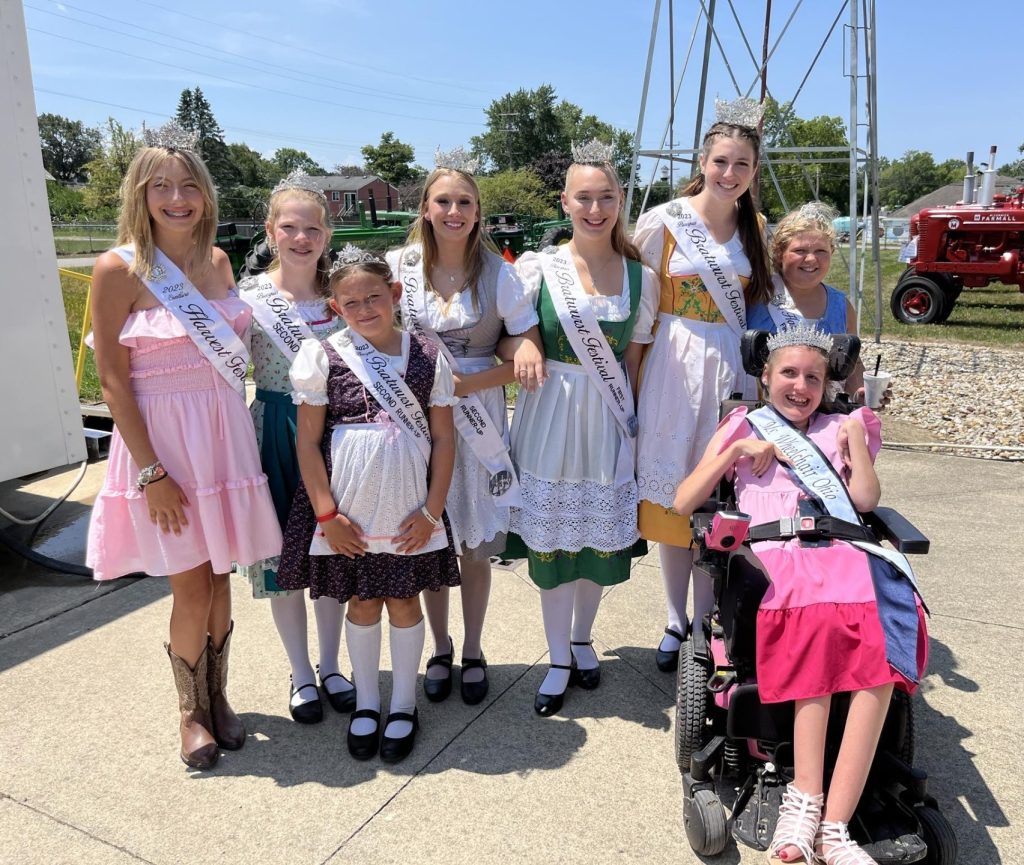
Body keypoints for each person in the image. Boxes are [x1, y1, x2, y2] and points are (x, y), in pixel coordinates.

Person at [672, 323, 927, 865]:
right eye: (788, 372)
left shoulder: (845, 424)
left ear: (827, 380)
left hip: (846, 555)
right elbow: (683, 501)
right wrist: (737, 448)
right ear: (765, 377)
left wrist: (854, 437)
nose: (800, 385)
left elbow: (863, 498)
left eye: (812, 376)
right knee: (819, 627)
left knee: (883, 648)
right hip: (776, 561)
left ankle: (832, 828)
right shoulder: (744, 424)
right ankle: (805, 800)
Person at [86, 122, 282, 770]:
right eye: (161, 185)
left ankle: (218, 694)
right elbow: (112, 380)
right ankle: (188, 712)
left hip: (220, 441)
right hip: (164, 448)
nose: (176, 197)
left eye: (188, 184)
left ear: (204, 194)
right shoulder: (119, 269)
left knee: (222, 575)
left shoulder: (220, 261)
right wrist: (151, 472)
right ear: (141, 195)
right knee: (190, 588)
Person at [276, 247, 460, 763]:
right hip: (350, 516)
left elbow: (445, 440)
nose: (364, 309)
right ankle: (368, 702)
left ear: (395, 295)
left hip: (409, 512)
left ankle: (403, 704)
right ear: (335, 307)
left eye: (374, 297)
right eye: (350, 302)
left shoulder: (426, 355)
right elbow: (308, 444)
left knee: (405, 602)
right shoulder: (322, 356)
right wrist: (327, 517)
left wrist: (431, 511)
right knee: (361, 603)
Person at [387, 151, 544, 706]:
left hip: (476, 421)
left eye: (466, 203)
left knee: (473, 547)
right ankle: (440, 645)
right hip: (411, 421)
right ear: (426, 209)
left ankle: (473, 647)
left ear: (478, 212)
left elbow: (528, 356)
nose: (455, 211)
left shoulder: (502, 274)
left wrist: (469, 383)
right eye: (444, 201)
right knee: (431, 540)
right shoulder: (398, 267)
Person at [506, 141, 658, 716]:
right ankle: (556, 660)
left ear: (620, 201)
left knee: (595, 539)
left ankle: (582, 639)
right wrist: (522, 344)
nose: (596, 209)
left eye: (607, 198)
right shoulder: (537, 269)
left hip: (607, 417)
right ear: (565, 202)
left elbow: (637, 361)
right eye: (584, 198)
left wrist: (635, 430)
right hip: (551, 412)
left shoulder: (640, 278)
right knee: (553, 544)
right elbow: (512, 332)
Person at [632, 99, 773, 672]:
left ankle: (710, 615)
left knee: (719, 499)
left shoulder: (756, 229)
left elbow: (761, 306)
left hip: (732, 366)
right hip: (673, 362)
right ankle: (674, 617)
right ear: (703, 160)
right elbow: (641, 308)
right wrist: (634, 379)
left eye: (742, 164)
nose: (729, 173)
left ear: (754, 170)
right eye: (721, 161)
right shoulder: (663, 221)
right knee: (675, 498)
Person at [237, 171, 354, 724]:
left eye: (312, 228)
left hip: (337, 436)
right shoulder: (249, 301)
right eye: (290, 227)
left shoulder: (341, 300)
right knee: (285, 559)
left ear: (326, 236)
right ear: (271, 231)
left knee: (331, 551)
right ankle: (300, 671)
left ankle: (332, 666)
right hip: (275, 432)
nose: (301, 238)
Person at [747, 202, 880, 405]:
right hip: (762, 412)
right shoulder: (756, 297)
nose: (811, 259)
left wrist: (862, 393)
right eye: (800, 250)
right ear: (779, 254)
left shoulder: (842, 306)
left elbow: (852, 363)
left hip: (823, 415)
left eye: (821, 251)